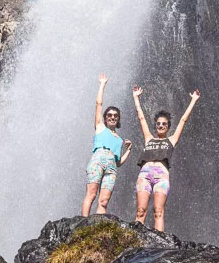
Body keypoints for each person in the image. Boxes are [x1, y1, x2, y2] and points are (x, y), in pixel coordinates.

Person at [132, 84, 200, 232]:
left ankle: (159, 245)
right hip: (144, 175)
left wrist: (193, 100)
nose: (161, 126)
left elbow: (183, 120)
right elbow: (141, 118)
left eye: (164, 124)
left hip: (161, 177)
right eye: (158, 124)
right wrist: (136, 97)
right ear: (155, 126)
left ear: (168, 127)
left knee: (158, 211)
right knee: (140, 210)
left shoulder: (172, 140)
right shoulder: (149, 138)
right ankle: (135, 239)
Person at [81, 73, 132, 216]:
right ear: (105, 117)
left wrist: (128, 150)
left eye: (115, 116)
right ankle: (83, 223)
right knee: (91, 194)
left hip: (111, 169)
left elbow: (118, 162)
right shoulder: (100, 127)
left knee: (104, 201)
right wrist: (102, 84)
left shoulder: (119, 140)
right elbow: (98, 104)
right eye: (109, 115)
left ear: (118, 119)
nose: (112, 117)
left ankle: (97, 227)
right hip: (98, 161)